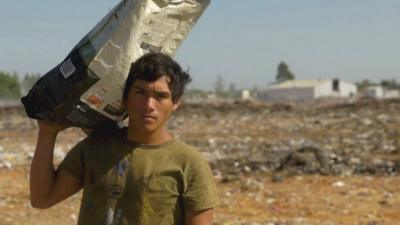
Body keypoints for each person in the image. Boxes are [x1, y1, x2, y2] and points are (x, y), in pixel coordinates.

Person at [30, 52, 218, 225]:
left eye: (160, 96)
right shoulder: (94, 149)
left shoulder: (190, 165)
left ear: (175, 103)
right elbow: (42, 198)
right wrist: (47, 134)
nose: (149, 105)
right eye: (140, 92)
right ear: (125, 98)